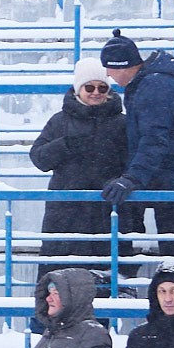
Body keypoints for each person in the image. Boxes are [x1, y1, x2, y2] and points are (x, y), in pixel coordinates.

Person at [98, 34, 174, 262]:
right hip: (171, 173)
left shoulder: (153, 86)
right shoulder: (150, 83)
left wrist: (132, 178)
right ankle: (131, 273)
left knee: (172, 247)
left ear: (123, 66)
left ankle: (135, 274)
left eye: (109, 68)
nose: (108, 74)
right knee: (165, 242)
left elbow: (154, 138)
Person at [33, 57, 130, 292]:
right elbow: (39, 158)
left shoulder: (122, 123)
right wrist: (65, 144)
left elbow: (133, 162)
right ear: (78, 89)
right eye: (89, 87)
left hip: (107, 213)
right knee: (59, 288)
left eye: (102, 88)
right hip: (65, 215)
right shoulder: (60, 121)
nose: (96, 92)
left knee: (106, 287)